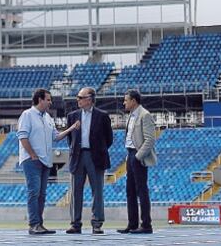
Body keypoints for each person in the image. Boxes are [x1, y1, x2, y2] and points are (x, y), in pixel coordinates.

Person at [17, 88, 79, 235]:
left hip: (46, 161)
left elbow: (56, 137)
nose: (51, 102)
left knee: (42, 194)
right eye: (48, 99)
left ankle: (39, 223)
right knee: (34, 192)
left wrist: (71, 128)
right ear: (40, 100)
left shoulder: (48, 118)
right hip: (32, 160)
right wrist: (32, 154)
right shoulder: (27, 115)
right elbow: (22, 137)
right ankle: (34, 224)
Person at [65, 86, 114, 235]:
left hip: (95, 157)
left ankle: (97, 223)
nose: (78, 100)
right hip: (78, 157)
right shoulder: (72, 116)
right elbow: (70, 139)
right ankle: (75, 223)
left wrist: (98, 150)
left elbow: (109, 139)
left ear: (90, 99)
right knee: (75, 192)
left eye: (81, 97)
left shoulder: (102, 115)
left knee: (97, 191)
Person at [117, 89, 158, 234]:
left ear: (133, 101)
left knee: (142, 190)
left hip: (138, 155)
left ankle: (146, 224)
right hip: (130, 153)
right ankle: (132, 224)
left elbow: (150, 139)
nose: (124, 102)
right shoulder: (131, 116)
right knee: (130, 191)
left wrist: (138, 156)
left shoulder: (144, 115)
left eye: (126, 100)